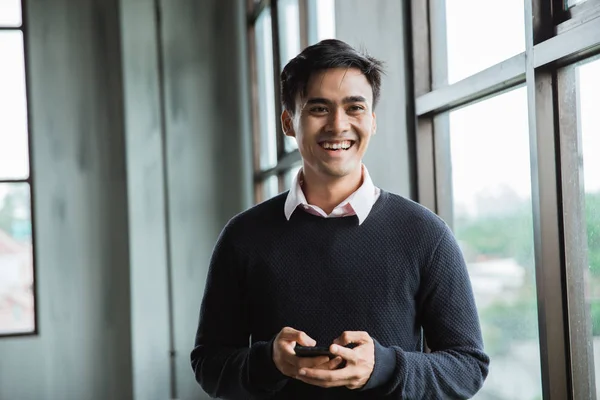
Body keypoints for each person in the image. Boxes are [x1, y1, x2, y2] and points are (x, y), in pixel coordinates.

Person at [190, 39, 489, 399]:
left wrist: (383, 367)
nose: (338, 124)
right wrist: (268, 361)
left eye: (354, 108)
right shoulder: (243, 236)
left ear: (372, 122)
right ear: (289, 122)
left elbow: (469, 367)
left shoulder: (426, 234)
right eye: (319, 108)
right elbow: (209, 365)